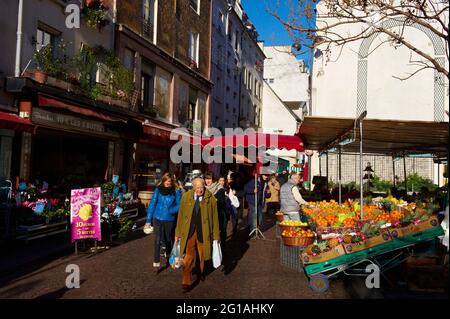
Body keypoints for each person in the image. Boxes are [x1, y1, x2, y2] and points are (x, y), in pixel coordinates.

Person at [175, 178, 220, 292]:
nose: (201, 190)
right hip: (189, 232)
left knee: (202, 255)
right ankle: (186, 281)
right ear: (193, 187)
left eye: (202, 187)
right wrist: (178, 233)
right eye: (198, 188)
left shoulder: (211, 198)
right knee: (188, 257)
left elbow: (215, 219)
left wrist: (216, 236)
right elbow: (180, 216)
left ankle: (200, 272)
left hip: (203, 232)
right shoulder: (186, 196)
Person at [144, 173, 181, 274]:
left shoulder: (176, 191)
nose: (168, 183)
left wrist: (171, 210)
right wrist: (148, 220)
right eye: (166, 181)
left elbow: (179, 205)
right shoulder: (158, 190)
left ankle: (169, 255)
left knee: (168, 239)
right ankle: (156, 263)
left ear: (172, 182)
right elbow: (152, 204)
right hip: (157, 217)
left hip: (169, 219)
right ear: (163, 181)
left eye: (169, 182)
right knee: (157, 240)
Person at [244, 173, 264, 237]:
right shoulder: (252, 182)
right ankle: (252, 230)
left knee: (260, 217)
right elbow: (245, 189)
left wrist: (268, 194)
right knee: (253, 216)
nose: (266, 177)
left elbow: (263, 193)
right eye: (265, 175)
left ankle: (256, 229)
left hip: (259, 202)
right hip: (252, 201)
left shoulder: (263, 183)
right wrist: (252, 190)